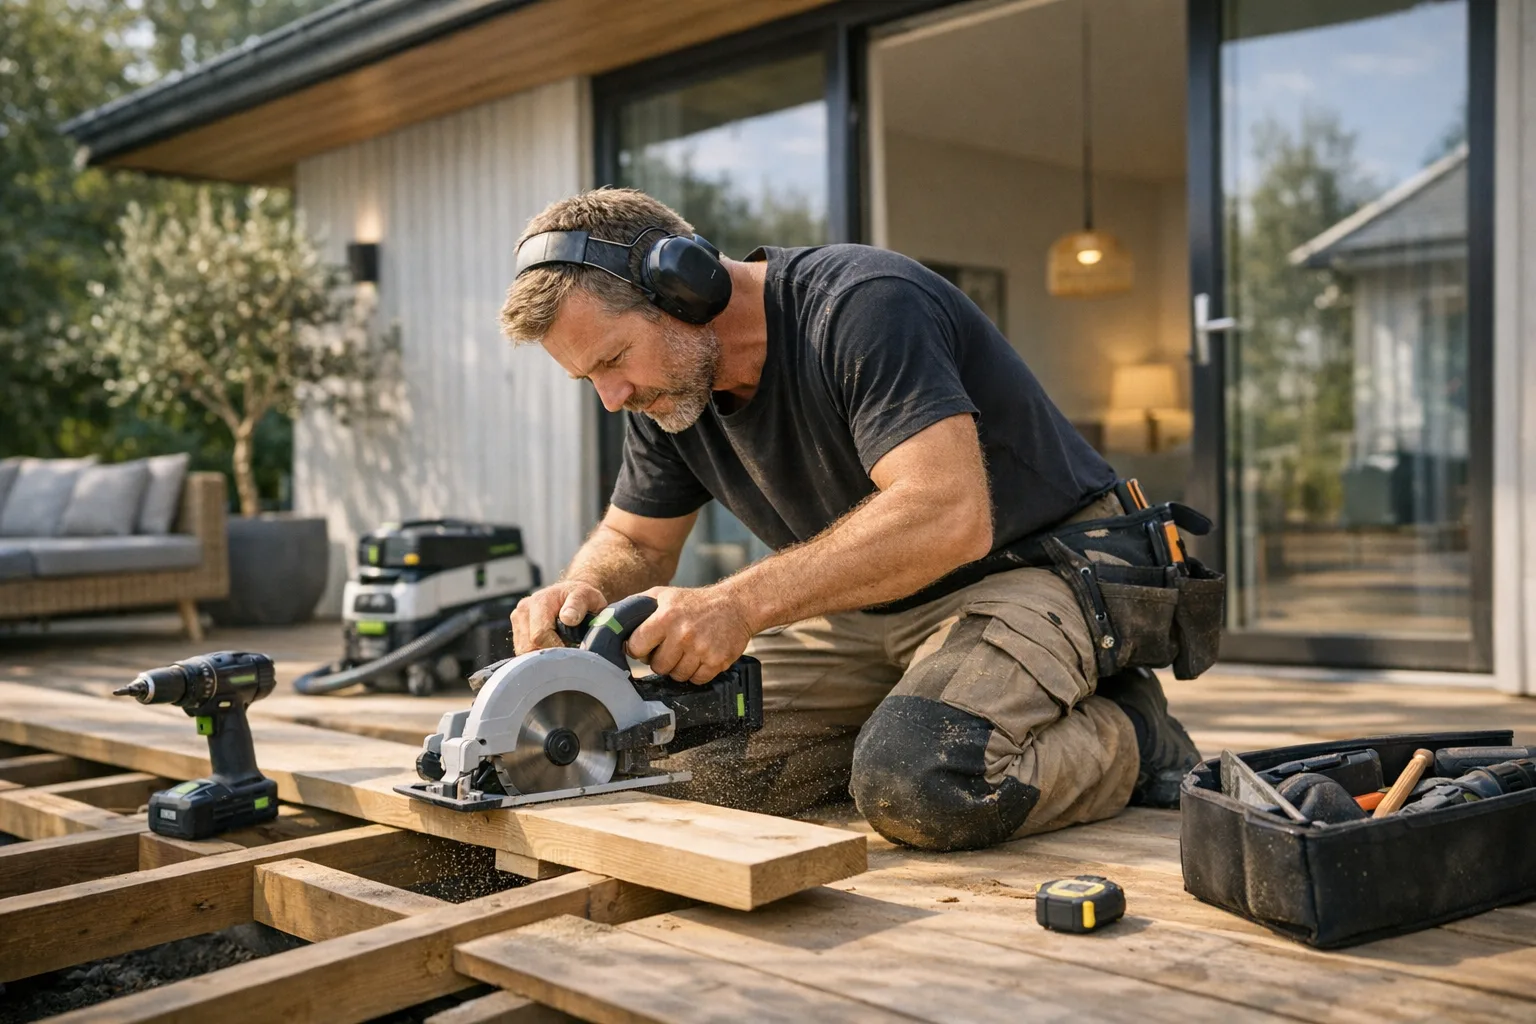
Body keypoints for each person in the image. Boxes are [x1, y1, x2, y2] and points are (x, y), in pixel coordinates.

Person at [499, 187, 1200, 851]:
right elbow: (634, 540)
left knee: (922, 783)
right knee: (673, 758)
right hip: (867, 606)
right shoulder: (666, 392)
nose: (612, 397)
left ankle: (1134, 732)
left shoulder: (862, 304)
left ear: (685, 287)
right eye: (589, 377)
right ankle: (920, 714)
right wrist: (584, 588)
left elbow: (946, 515)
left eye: (614, 360)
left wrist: (737, 603)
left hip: (1034, 573)